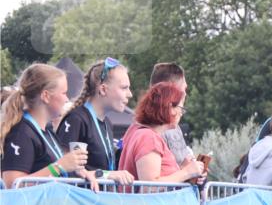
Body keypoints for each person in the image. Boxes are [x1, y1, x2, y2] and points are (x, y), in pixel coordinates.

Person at [1, 63, 97, 190]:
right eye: (64, 93)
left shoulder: (47, 132)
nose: (67, 99)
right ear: (46, 96)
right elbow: (12, 185)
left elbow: (56, 171)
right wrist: (58, 167)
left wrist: (80, 173)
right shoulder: (21, 133)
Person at [55, 57, 135, 187]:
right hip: (79, 198)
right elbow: (69, 171)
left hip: (99, 197)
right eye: (124, 88)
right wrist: (108, 175)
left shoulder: (107, 123)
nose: (130, 94)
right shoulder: (77, 120)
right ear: (103, 89)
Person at [119, 82, 206, 183]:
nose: (181, 113)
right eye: (181, 108)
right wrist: (187, 172)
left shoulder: (143, 134)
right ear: (170, 108)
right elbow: (150, 185)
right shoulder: (149, 138)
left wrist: (183, 169)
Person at [149, 62, 193, 166]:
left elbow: (183, 161)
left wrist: (195, 170)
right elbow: (155, 175)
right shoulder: (152, 131)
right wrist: (186, 170)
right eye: (183, 89)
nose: (185, 94)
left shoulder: (174, 126)